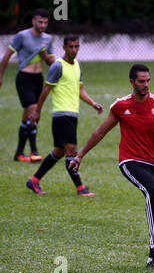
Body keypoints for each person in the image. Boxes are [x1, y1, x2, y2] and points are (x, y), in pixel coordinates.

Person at [68, 64, 154, 269]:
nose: (146, 85)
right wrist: (80, 156)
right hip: (130, 161)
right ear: (132, 82)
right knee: (152, 191)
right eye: (141, 81)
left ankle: (153, 259)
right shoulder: (121, 106)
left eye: (148, 80)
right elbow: (100, 132)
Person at [26, 35, 104, 196]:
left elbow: (80, 90)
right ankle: (80, 188)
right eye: (71, 47)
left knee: (59, 152)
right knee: (72, 151)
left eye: (76, 46)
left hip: (72, 115)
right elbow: (46, 89)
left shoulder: (77, 65)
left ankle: (34, 180)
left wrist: (92, 103)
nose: (74, 50)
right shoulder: (57, 66)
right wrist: (37, 111)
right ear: (64, 48)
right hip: (62, 115)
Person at [0, 8, 55, 162]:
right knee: (33, 111)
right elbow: (7, 56)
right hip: (24, 78)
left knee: (28, 117)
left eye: (45, 22)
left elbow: (51, 62)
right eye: (40, 22)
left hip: (38, 79)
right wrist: (0, 76)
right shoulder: (22, 36)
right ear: (33, 21)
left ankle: (18, 153)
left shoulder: (48, 39)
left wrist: (46, 57)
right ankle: (34, 151)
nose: (43, 25)